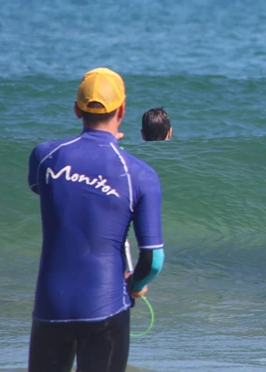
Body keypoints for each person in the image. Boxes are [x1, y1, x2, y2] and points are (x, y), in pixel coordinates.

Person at [27, 68, 165, 372]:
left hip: (51, 305)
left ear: (77, 109)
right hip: (107, 306)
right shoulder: (139, 174)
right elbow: (153, 259)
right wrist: (136, 284)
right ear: (123, 110)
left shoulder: (44, 157)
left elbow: (53, 193)